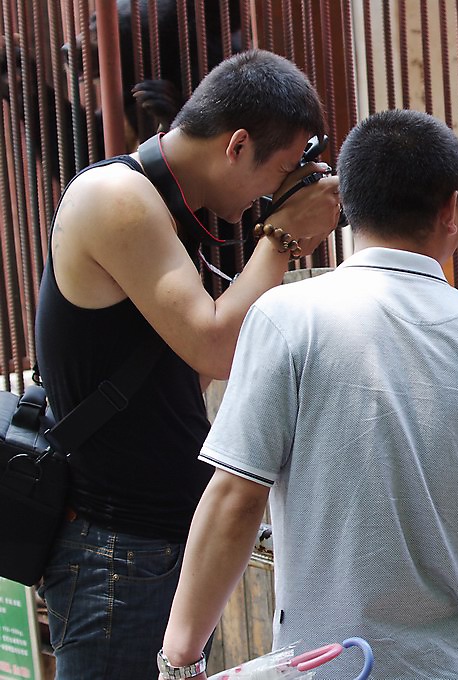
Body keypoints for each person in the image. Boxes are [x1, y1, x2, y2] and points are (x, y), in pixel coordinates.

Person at [160, 108, 458, 678]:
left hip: (331, 670)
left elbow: (235, 497)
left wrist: (179, 659)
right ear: (451, 209)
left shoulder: (286, 319)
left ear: (346, 204)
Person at [33, 49, 341, 679]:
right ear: (236, 146)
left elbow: (180, 375)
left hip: (150, 544)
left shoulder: (178, 212)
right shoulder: (116, 196)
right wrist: (281, 238)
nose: (271, 193)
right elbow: (217, 348)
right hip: (114, 553)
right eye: (278, 170)